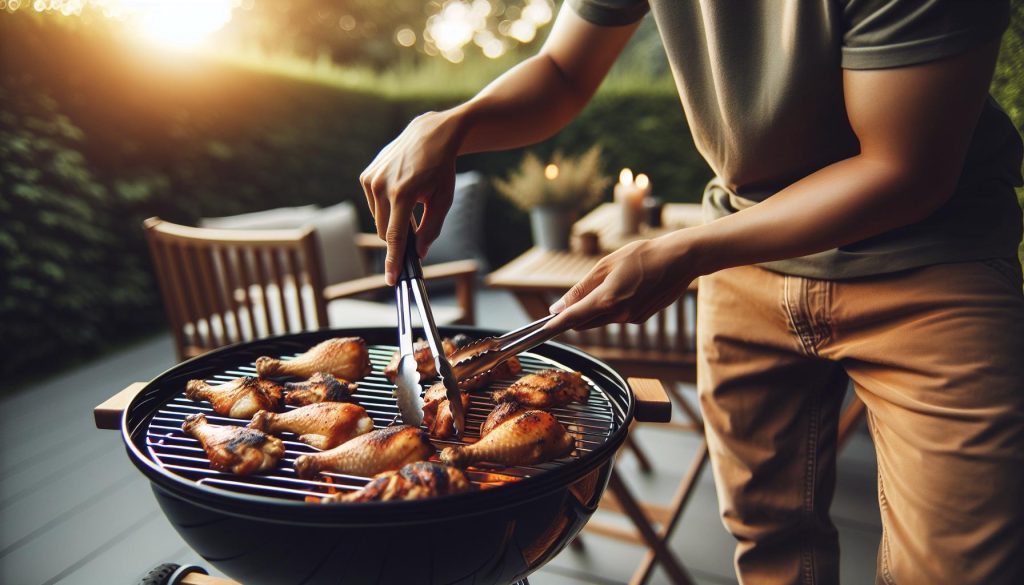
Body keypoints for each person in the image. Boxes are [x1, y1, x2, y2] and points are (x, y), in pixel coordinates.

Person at [360, 1, 1024, 583]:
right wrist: (454, 121)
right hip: (748, 258)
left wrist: (687, 250)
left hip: (930, 265)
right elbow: (564, 71)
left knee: (960, 568)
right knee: (768, 544)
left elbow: (902, 167)